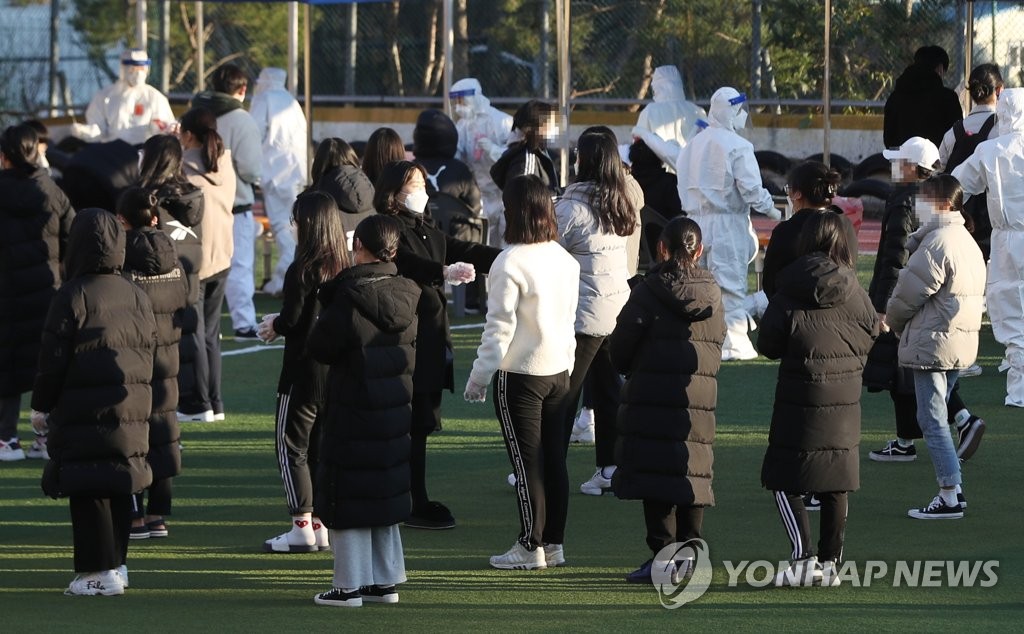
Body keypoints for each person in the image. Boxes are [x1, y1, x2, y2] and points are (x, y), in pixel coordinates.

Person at [32, 208, 157, 596]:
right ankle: (116, 565)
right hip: (131, 400)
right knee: (121, 482)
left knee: (88, 488)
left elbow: (52, 359)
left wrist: (41, 405)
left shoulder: (71, 294)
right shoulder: (136, 293)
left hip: (84, 405)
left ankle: (96, 572)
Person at [374, 160, 501, 529]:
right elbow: (403, 261)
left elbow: (463, 248)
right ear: (393, 193)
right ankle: (409, 498)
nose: (422, 191)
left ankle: (415, 495)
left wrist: (511, 258)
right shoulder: (389, 228)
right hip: (406, 340)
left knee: (422, 424)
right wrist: (441, 272)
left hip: (430, 340)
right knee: (408, 422)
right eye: (413, 185)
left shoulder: (426, 228)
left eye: (422, 184)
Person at [463, 175, 579, 571]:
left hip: (522, 376)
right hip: (560, 370)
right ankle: (555, 542)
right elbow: (569, 320)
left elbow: (498, 329)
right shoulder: (565, 259)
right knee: (554, 461)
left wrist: (479, 377)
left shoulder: (509, 261)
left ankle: (531, 545)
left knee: (526, 462)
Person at [757, 213, 878, 587]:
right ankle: (831, 565)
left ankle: (802, 557)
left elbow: (767, 344)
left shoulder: (789, 285)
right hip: (845, 398)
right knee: (835, 481)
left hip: (800, 394)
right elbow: (873, 330)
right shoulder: (855, 289)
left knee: (782, 479)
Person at [307, 215, 421, 607]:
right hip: (394, 407)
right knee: (383, 490)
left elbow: (320, 347)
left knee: (348, 491)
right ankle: (383, 581)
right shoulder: (407, 291)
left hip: (353, 405)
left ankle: (348, 585)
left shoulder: (347, 295)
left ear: (360, 248)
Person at [609, 216, 725, 584]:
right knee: (694, 470)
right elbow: (718, 340)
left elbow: (620, 348)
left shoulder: (648, 291)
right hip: (699, 390)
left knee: (656, 473)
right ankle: (690, 556)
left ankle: (663, 559)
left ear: (662, 249)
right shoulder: (713, 292)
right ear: (699, 250)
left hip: (652, 392)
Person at [868, 137, 984, 461]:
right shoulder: (936, 206)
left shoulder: (907, 201)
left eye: (898, 162)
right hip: (941, 305)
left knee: (907, 369)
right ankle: (957, 422)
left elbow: (895, 257)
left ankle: (929, 452)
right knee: (925, 370)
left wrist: (883, 307)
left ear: (909, 166)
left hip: (912, 298)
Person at [886, 175, 986, 519]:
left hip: (933, 342)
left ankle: (949, 493)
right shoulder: (965, 240)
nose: (919, 205)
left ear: (942, 202)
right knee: (937, 414)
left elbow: (906, 296)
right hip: (959, 340)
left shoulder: (938, 241)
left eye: (925, 199)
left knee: (931, 418)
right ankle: (952, 490)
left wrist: (893, 323)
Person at [258, 191, 349, 553]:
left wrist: (274, 324)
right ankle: (319, 524)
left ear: (309, 225)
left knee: (290, 445)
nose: (293, 226)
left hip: (301, 371)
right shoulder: (344, 266)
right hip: (334, 371)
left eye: (296, 220)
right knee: (319, 449)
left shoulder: (304, 268)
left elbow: (294, 319)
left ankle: (301, 526)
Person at [554, 132, 638, 496]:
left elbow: (545, 249)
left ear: (582, 161)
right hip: (615, 307)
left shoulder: (572, 207)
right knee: (608, 391)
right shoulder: (620, 201)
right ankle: (610, 466)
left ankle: (547, 465)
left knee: (563, 395)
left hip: (583, 313)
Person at [676, 87, 780, 361]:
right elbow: (751, 190)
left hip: (693, 223)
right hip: (727, 224)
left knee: (697, 284)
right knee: (730, 286)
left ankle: (698, 338)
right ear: (731, 111)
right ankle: (732, 344)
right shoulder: (738, 146)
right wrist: (775, 212)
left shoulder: (692, 145)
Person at [116, 187, 189, 541]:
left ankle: (134, 516)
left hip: (134, 360)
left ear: (121, 220)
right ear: (156, 218)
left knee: (132, 435)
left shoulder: (120, 261)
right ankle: (158, 515)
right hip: (168, 358)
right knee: (163, 431)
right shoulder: (175, 259)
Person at [0, 124, 74, 462]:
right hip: (47, 291)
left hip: (6, 295)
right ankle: (46, 437)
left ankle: (6, 439)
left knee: (7, 365)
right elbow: (76, 237)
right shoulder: (52, 191)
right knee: (48, 366)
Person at [952, 88, 1024, 408]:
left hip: (1007, 239)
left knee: (1009, 311)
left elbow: (957, 184)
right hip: (1007, 235)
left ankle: (1018, 390)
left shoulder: (991, 150)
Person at [137, 133, 207, 422]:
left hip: (152, 290)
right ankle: (184, 413)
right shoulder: (191, 196)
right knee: (180, 358)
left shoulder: (148, 199)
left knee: (150, 367)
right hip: (187, 286)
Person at [192, 64, 262, 341]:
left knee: (200, 264)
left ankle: (198, 323)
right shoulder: (241, 120)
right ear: (242, 90)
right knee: (239, 266)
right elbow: (251, 169)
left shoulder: (195, 113)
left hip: (197, 203)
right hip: (235, 204)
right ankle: (243, 323)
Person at [178, 107, 237, 424]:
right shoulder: (224, 162)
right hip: (223, 254)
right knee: (211, 334)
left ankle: (197, 402)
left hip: (196, 258)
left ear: (188, 135)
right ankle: (215, 400)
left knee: (195, 334)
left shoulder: (184, 169)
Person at [249, 67, 308, 297]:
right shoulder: (291, 102)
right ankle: (288, 277)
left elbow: (252, 133)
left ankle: (285, 278)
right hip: (294, 172)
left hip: (275, 173)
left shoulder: (264, 100)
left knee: (283, 227)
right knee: (292, 224)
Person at [760, 161, 857, 298]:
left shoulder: (787, 230)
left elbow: (770, 283)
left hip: (796, 310)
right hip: (843, 303)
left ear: (797, 194)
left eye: (789, 190)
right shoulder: (845, 224)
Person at [450, 77, 513, 247]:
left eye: (461, 100)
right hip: (479, 195)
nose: (458, 105)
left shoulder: (502, 121)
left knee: (505, 241)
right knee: (483, 242)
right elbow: (457, 154)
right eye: (455, 101)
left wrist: (493, 149)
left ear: (474, 97)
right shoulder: (463, 125)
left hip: (502, 195)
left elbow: (515, 156)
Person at [85, 49, 175, 146]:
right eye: (133, 69)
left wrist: (164, 129)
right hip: (111, 152)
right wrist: (84, 132)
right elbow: (96, 128)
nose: (138, 73)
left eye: (142, 68)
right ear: (123, 68)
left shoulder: (154, 98)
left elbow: (163, 127)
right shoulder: (105, 97)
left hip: (143, 154)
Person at [883, 45, 963, 149]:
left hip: (902, 162)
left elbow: (889, 138)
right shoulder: (947, 98)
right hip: (937, 162)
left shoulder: (895, 97)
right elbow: (956, 135)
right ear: (940, 68)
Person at [631, 65, 706, 173]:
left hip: (661, 179)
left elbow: (639, 150)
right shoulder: (698, 111)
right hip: (694, 176)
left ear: (656, 87)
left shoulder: (650, 111)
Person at [490, 100, 561, 211]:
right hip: (532, 226)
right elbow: (522, 200)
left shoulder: (536, 152)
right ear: (538, 126)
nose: (554, 127)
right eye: (551, 123)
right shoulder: (527, 158)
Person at [308, 137, 376, 245]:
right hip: (367, 261)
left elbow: (306, 252)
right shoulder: (370, 190)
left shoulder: (312, 202)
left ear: (318, 165)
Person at [628, 139, 682, 219]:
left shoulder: (626, 183)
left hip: (631, 229)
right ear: (659, 157)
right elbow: (679, 214)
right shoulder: (670, 182)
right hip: (665, 230)